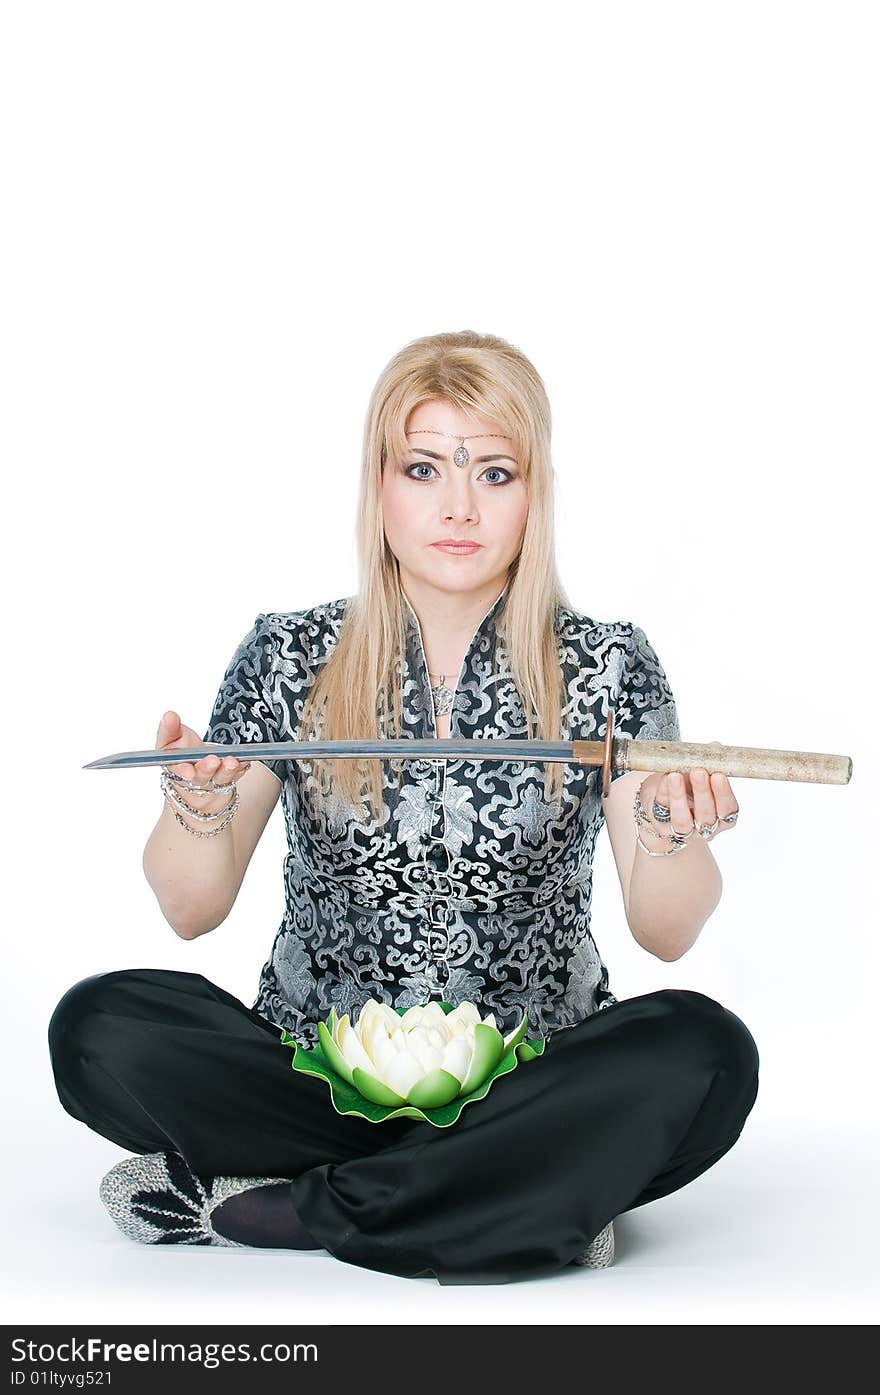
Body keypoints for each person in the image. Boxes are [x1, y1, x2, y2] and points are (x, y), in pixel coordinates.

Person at [47, 330, 758, 1286]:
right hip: (315, 1082)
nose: (457, 505)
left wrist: (672, 831)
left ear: (534, 492)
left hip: (533, 1081)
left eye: (494, 473)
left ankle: (301, 1207)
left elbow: (666, 931)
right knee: (99, 1026)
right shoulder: (290, 653)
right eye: (425, 468)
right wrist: (198, 808)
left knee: (704, 1053)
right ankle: (524, 1200)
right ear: (379, 487)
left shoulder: (607, 664)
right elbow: (190, 908)